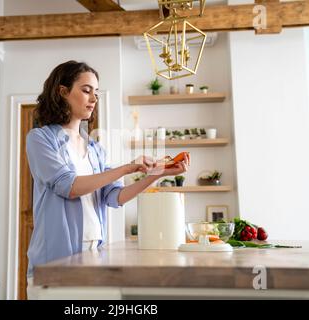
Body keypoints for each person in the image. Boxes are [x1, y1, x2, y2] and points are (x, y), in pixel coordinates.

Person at [25, 60, 190, 294]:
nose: (94, 99)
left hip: (93, 256)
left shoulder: (95, 149)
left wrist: (155, 174)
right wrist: (126, 168)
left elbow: (115, 197)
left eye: (96, 93)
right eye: (86, 90)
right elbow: (68, 186)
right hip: (54, 260)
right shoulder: (40, 139)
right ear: (63, 92)